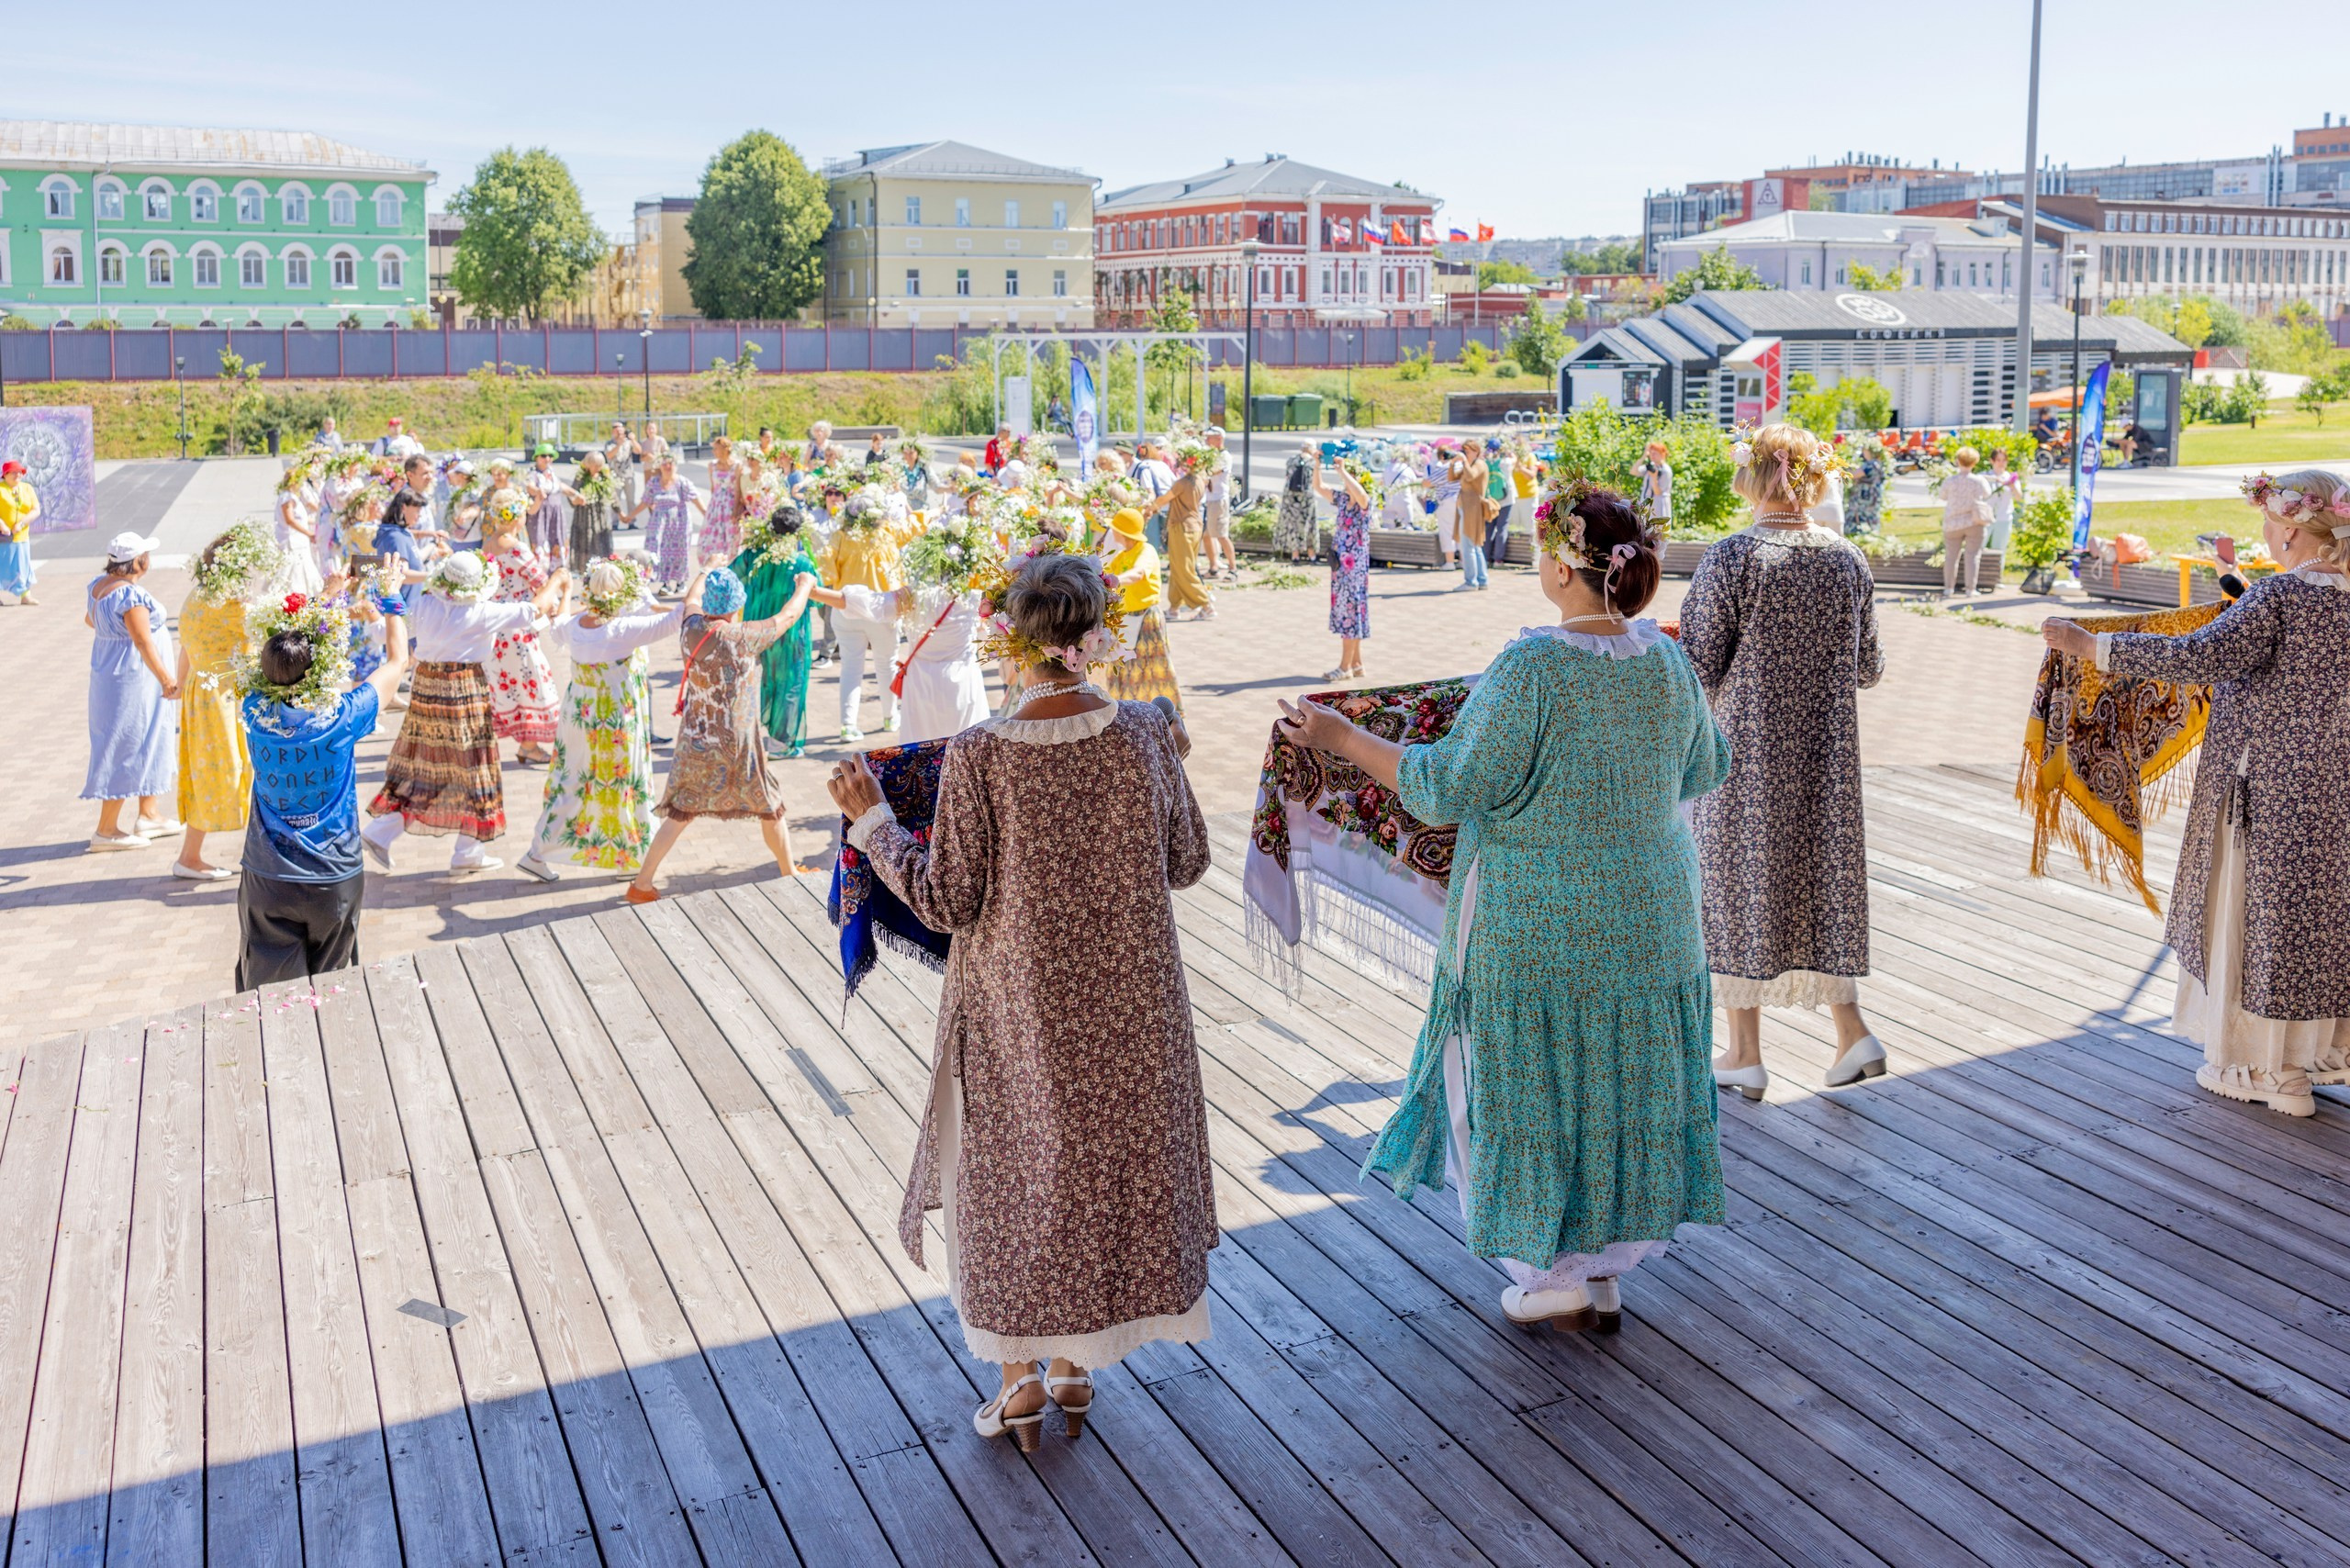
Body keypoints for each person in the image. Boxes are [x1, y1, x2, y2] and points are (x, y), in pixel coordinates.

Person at [1278, 483, 1729, 1335]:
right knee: (1618, 1081)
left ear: (1561, 566)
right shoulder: (1668, 658)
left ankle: (1549, 1268)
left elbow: (1445, 787)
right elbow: (1707, 767)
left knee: (1522, 1081)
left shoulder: (1532, 666)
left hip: (1541, 920)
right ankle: (1600, 1262)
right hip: (1654, 913)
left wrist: (1339, 739)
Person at [825, 551, 1212, 1450]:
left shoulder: (982, 753)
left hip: (1017, 1010)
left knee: (1008, 1181)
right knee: (1093, 1174)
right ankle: (1075, 1369)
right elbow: (1186, 862)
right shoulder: (1150, 731)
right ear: (1100, 630)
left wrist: (874, 822)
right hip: (1130, 1013)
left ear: (1009, 637)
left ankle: (1019, 1380)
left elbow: (947, 901)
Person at [2042, 468, 2350, 1116]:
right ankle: (2320, 1052)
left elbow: (2196, 658)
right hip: (2335, 785)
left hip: (2265, 781)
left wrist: (2090, 645)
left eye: (2270, 518)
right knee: (2320, 916)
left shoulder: (2280, 599)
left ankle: (2271, 1070)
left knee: (2256, 915)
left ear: (2290, 527)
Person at [1682, 423, 1887, 1100]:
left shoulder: (1734, 558)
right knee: (1817, 885)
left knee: (1740, 887)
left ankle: (1744, 1051)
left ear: (1750, 479)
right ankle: (1853, 1032)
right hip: (1826, 759)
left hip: (1747, 755)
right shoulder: (1847, 558)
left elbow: (1697, 665)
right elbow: (1869, 669)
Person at [237, 601, 409, 988]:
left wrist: (325, 599)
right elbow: (397, 661)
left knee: (272, 999)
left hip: (268, 876)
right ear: (318, 673)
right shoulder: (343, 715)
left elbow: (282, 658)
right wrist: (391, 601)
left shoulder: (253, 710)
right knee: (333, 994)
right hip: (334, 875)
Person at [362, 553, 566, 876]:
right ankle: (465, 850)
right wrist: (557, 579)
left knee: (426, 763)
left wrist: (378, 613)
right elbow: (535, 609)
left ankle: (390, 834)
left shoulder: (428, 604)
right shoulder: (482, 611)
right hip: (463, 689)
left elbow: (393, 628)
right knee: (474, 767)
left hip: (426, 687)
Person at [627, 566, 818, 903]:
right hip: (738, 743)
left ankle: (641, 884)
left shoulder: (691, 629)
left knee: (681, 811)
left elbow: (690, 599)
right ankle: (788, 872)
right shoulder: (742, 636)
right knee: (769, 804)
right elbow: (788, 616)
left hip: (696, 738)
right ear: (736, 605)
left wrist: (704, 570)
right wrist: (805, 584)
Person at [519, 560, 699, 882]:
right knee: (624, 782)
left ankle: (537, 852)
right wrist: (703, 573)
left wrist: (567, 590)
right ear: (622, 595)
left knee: (570, 781)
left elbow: (556, 620)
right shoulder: (622, 631)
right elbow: (679, 616)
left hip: (578, 717)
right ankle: (631, 855)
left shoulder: (574, 627)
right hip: (614, 719)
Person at [173, 525, 275, 882]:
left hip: (201, 692)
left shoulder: (197, 597)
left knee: (211, 773)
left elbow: (185, 645)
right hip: (224, 697)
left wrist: (177, 682)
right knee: (240, 772)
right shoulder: (232, 605)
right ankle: (262, 856)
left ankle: (191, 855)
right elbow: (274, 630)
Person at [83, 532, 182, 850]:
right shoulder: (130, 596)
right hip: (133, 678)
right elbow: (142, 641)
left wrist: (112, 636)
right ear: (138, 561)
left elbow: (90, 620)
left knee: (149, 737)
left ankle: (148, 813)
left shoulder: (99, 586)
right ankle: (106, 829)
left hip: (114, 672)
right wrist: (167, 678)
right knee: (127, 742)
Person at [730, 502, 824, 756]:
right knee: (790, 684)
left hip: (757, 629)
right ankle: (781, 743)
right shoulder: (801, 562)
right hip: (791, 634)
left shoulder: (753, 555)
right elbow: (815, 597)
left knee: (758, 681)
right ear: (797, 533)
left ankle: (748, 737)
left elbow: (730, 577)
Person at [823, 494, 916, 740]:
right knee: (886, 665)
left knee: (850, 668)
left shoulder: (840, 537)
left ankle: (847, 725)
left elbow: (826, 570)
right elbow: (912, 531)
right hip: (881, 610)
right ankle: (890, 717)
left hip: (845, 608)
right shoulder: (886, 534)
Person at [481, 506, 561, 765]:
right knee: (529, 679)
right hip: (518, 622)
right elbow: (540, 581)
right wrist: (556, 605)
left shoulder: (489, 543)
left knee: (504, 681)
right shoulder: (517, 548)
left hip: (494, 622)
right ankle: (528, 745)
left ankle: (514, 745)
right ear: (517, 517)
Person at [1098, 508, 1181, 711]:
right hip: (1125, 619)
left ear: (1122, 532)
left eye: (1114, 528)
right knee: (1124, 667)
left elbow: (1139, 574)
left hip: (1146, 618)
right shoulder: (1120, 556)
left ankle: (1163, 711)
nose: (1112, 531)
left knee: (1152, 667)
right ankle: (1127, 709)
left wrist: (1116, 580)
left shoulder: (1146, 551)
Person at [1145, 453, 1215, 622]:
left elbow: (1164, 499)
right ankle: (1174, 608)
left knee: (1184, 570)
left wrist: (1149, 509)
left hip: (1181, 527)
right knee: (1178, 567)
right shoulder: (1200, 480)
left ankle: (1206, 605)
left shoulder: (1182, 483)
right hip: (1194, 526)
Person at [624, 454, 706, 594]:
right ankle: (665, 582)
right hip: (659, 523)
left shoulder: (682, 482)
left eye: (670, 464)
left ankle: (680, 581)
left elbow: (696, 499)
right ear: (660, 466)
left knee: (681, 551)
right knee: (658, 551)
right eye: (664, 464)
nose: (668, 467)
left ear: (675, 466)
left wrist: (707, 515)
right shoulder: (654, 482)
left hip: (679, 522)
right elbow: (645, 501)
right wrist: (630, 516)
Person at [1326, 463, 1373, 679]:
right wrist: (1317, 464)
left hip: (1354, 571)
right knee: (1350, 613)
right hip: (1340, 569)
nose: (1346, 483)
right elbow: (1318, 487)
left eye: (1350, 479)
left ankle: (1345, 667)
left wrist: (1343, 471)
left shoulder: (1364, 504)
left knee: (1351, 615)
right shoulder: (1343, 500)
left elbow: (1361, 494)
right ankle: (1357, 664)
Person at [1938, 445, 1993, 598]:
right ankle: (1970, 589)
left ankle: (1948, 588)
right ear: (1974, 462)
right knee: (1973, 556)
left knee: (1951, 557)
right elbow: (1987, 494)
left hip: (1952, 523)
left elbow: (1942, 496)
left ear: (1958, 461)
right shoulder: (1979, 481)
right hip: (1973, 522)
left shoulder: (1950, 481)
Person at [1447, 441, 1493, 591]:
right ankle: (1482, 580)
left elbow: (1472, 476)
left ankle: (1471, 582)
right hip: (1466, 509)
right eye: (1464, 450)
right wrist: (1453, 463)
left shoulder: (1479, 464)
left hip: (1472, 509)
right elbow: (1452, 477)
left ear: (1476, 451)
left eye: (1468, 450)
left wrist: (1464, 461)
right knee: (1474, 545)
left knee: (1468, 546)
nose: (1465, 453)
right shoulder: (1470, 464)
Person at [524, 443, 576, 563]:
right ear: (537, 457)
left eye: (550, 456)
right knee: (540, 542)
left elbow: (561, 486)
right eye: (543, 456)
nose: (547, 459)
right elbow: (530, 487)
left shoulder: (551, 473)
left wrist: (575, 494)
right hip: (540, 515)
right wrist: (538, 492)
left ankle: (557, 568)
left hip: (556, 515)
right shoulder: (533, 474)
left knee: (557, 541)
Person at [0, 459, 39, 605]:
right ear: (5, 474)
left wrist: (22, 523)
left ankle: (25, 595)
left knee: (23, 566)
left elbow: (36, 510)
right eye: (14, 472)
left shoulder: (27, 488)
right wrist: (2, 525)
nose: (18, 475)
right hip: (3, 536)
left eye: (20, 472)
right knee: (1, 565)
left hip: (21, 536)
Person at [1201, 427, 1237, 583]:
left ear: (1219, 438)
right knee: (1207, 536)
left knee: (1222, 535)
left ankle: (1233, 569)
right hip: (1210, 499)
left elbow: (1212, 471)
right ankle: (1213, 567)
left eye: (1210, 438)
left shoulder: (1224, 456)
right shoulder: (1213, 455)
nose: (1207, 441)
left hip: (1219, 500)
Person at [703, 435, 744, 566]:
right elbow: (712, 487)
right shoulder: (712, 466)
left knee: (731, 538)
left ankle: (731, 565)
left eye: (716, 448)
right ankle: (715, 565)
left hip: (730, 504)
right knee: (714, 538)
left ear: (725, 449)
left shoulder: (736, 466)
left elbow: (738, 489)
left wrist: (735, 510)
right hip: (716, 506)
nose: (714, 452)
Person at [1984, 446, 2023, 576]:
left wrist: (2011, 485)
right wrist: (1995, 480)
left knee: (2000, 548)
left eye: (2003, 460)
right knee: (1980, 547)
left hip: (2004, 517)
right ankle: (1979, 575)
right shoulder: (1985, 477)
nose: (2001, 463)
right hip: (1986, 517)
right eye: (1998, 460)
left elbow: (2019, 498)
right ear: (1992, 461)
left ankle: (1996, 576)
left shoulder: (2010, 477)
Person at [1481, 438, 1514, 570]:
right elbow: (1515, 459)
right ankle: (1498, 560)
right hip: (1506, 499)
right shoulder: (1506, 462)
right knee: (1502, 528)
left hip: (1491, 500)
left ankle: (1485, 558)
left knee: (1488, 528)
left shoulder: (1485, 463)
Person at [1428, 441, 1462, 567]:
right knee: (1460, 530)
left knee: (1447, 531)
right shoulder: (1459, 466)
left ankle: (1449, 562)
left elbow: (1428, 482)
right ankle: (1463, 561)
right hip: (1460, 500)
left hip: (1447, 501)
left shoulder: (1443, 468)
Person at [1843, 439, 1886, 536]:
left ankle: (1861, 533)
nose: (1863, 453)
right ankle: (1871, 534)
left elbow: (1854, 475)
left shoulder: (1870, 465)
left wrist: (1844, 469)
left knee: (1863, 515)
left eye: (1865, 450)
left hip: (1865, 496)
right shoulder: (1878, 463)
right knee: (1872, 515)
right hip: (1873, 495)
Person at [1633, 440, 1673, 531]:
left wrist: (1654, 478)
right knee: (1645, 531)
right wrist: (1644, 456)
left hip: (1659, 504)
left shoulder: (1666, 470)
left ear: (1662, 454)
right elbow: (1634, 471)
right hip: (1647, 502)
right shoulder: (1650, 467)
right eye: (1651, 453)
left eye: (1655, 453)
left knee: (1658, 532)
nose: (1652, 456)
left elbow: (1658, 492)